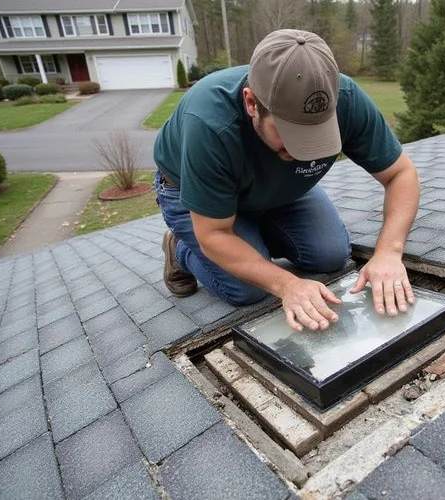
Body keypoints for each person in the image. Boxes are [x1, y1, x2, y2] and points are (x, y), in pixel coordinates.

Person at [153, 29, 420, 333]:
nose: (301, 151)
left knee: (330, 255)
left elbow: (401, 174)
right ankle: (181, 249)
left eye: (315, 136)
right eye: (290, 136)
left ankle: (253, 237)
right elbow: (214, 234)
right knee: (248, 290)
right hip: (196, 197)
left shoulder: (344, 98)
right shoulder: (209, 123)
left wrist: (388, 252)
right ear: (252, 103)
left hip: (279, 188)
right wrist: (286, 284)